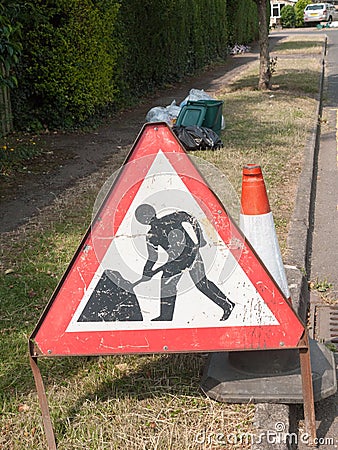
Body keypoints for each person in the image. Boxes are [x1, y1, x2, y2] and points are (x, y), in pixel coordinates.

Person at [135, 204, 235, 321]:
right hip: (188, 255)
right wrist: (147, 272)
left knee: (168, 285)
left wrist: (200, 238)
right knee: (201, 284)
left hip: (185, 257)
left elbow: (190, 218)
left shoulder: (161, 226)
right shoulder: (157, 230)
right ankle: (227, 304)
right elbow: (152, 257)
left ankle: (166, 316)